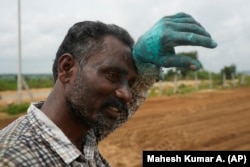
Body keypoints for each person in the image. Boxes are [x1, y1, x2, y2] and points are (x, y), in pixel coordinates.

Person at [0, 12, 217, 166]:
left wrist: (147, 69)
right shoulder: (12, 159)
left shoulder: (82, 134)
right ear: (67, 69)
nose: (127, 93)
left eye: (130, 83)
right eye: (113, 75)